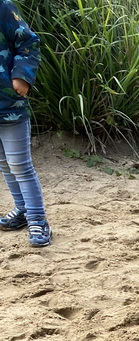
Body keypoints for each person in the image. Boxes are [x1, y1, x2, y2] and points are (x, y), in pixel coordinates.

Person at [0, 0, 51, 247]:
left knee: (19, 164)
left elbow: (28, 42)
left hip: (8, 105)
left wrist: (21, 77)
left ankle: (38, 219)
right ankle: (22, 210)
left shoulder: (3, 6)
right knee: (4, 163)